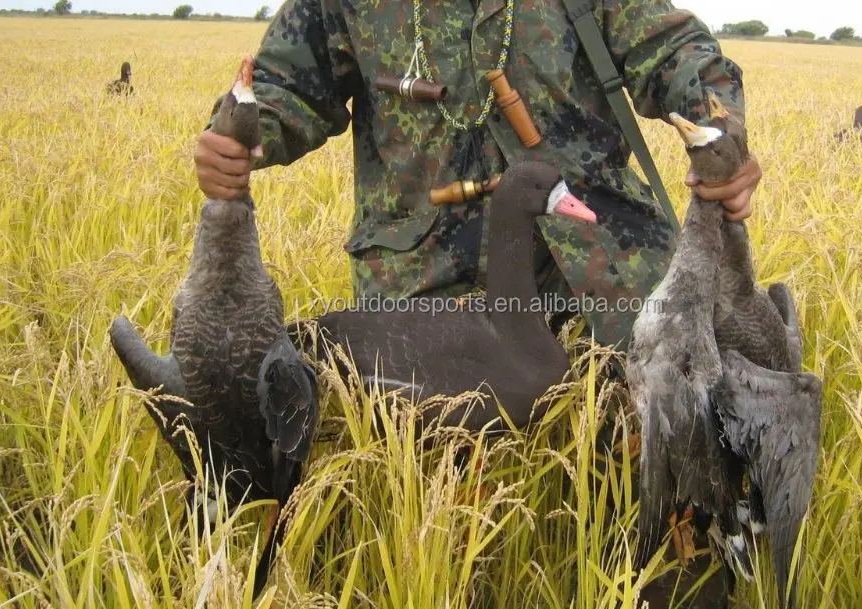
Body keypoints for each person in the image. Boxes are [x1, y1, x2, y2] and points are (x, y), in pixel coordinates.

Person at [194, 1, 762, 606]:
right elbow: (285, 86)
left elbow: (680, 54)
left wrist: (719, 132)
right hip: (427, 294)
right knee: (438, 540)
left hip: (601, 275)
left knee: (658, 493)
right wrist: (240, 137)